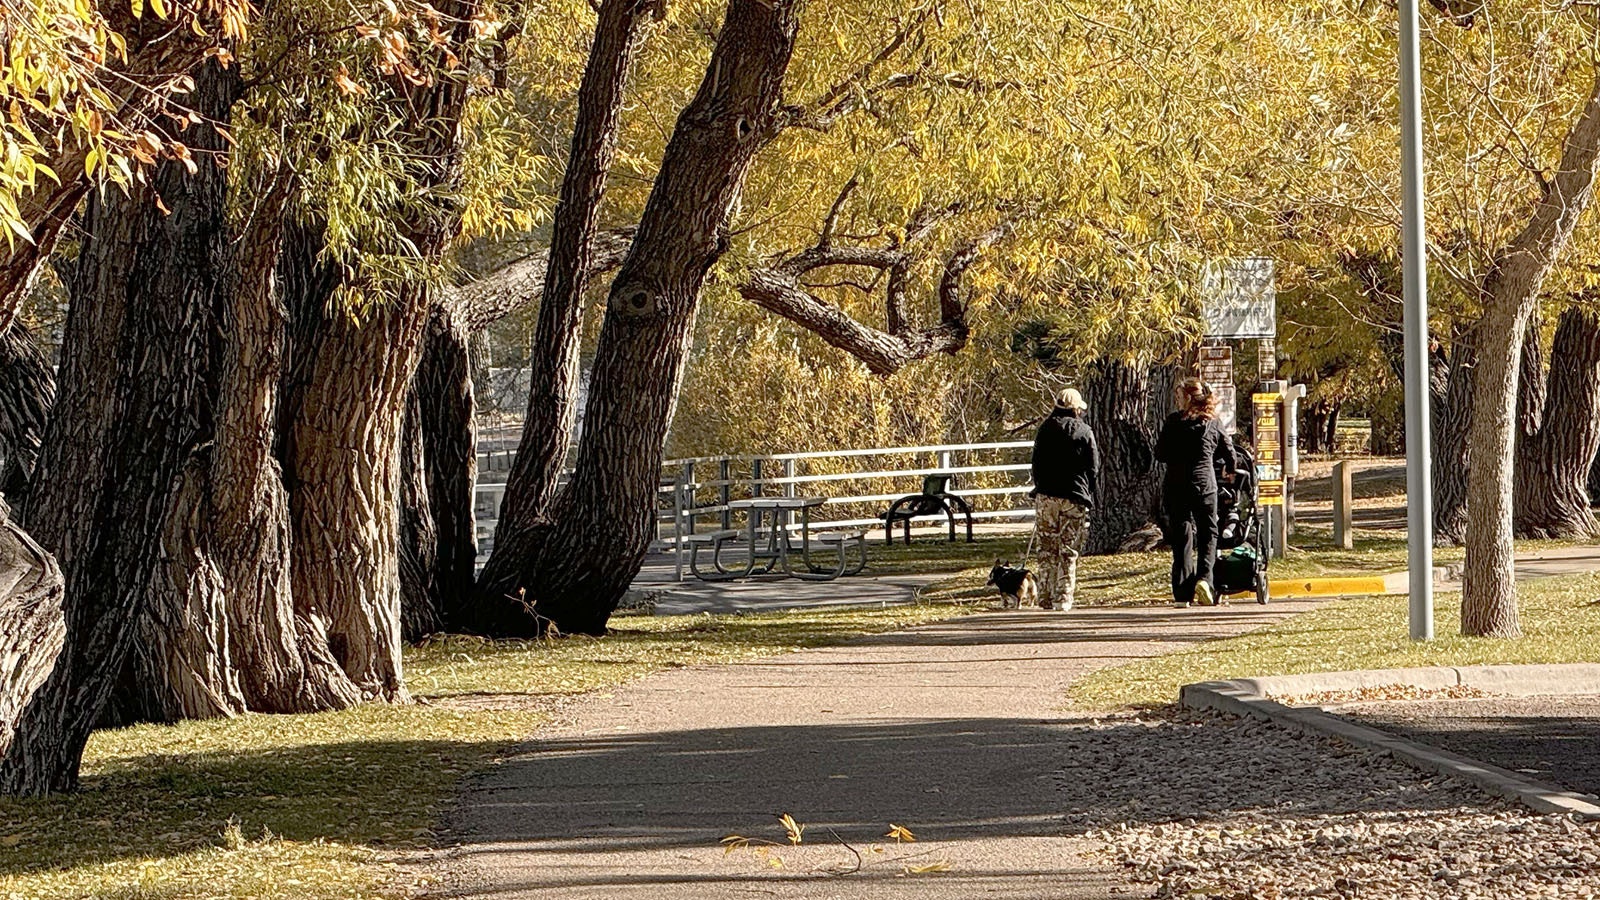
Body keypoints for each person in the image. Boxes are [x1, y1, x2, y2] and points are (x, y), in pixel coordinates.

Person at [1154, 378, 1237, 608]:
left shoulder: (1173, 422)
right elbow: (1230, 453)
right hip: (1204, 485)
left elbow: (1159, 453)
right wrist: (1229, 470)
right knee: (1208, 533)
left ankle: (1182, 592)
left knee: (1182, 536)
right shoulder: (1213, 423)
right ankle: (1205, 580)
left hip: (1176, 486)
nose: (1178, 400)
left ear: (1188, 398)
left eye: (1180, 396)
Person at [1030, 387, 1099, 610]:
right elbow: (1093, 466)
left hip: (1047, 494)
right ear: (1076, 408)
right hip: (1074, 495)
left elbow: (1036, 463)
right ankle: (1064, 597)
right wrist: (1091, 491)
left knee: (1046, 547)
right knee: (1068, 549)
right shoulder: (1084, 430)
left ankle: (1045, 595)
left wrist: (1040, 486)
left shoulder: (1046, 429)